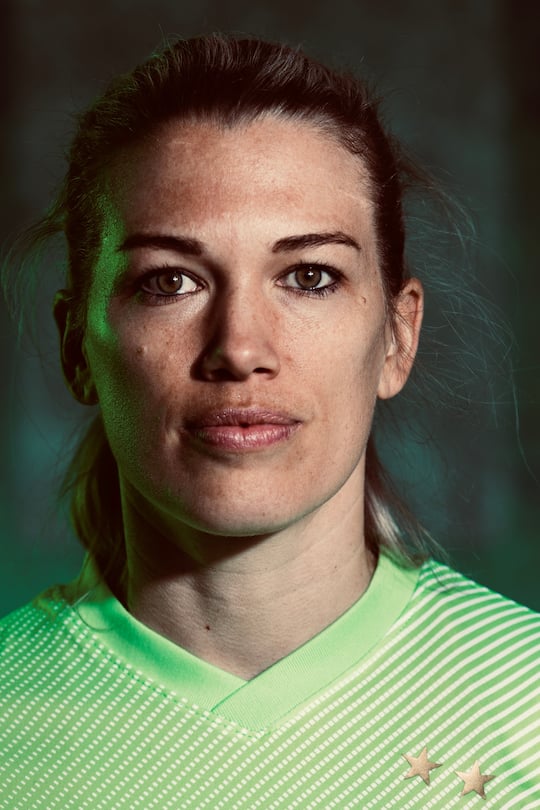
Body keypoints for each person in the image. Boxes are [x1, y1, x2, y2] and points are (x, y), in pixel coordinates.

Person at [0, 34, 538, 808]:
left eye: (310, 276)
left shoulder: (526, 706)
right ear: (76, 346)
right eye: (170, 282)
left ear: (397, 338)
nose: (241, 348)